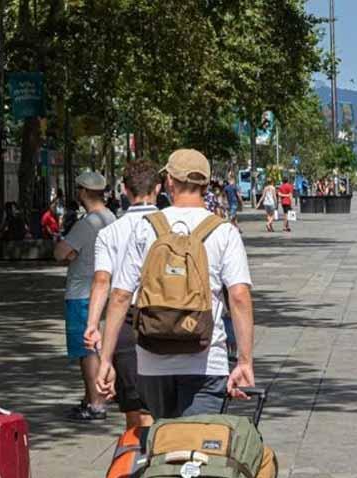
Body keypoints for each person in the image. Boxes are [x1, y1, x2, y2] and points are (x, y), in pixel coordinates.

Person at [95, 149, 255, 420]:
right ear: (205, 184)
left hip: (152, 360)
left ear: (169, 181)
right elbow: (238, 296)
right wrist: (245, 361)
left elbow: (121, 296)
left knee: (163, 443)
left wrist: (106, 360)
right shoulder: (224, 231)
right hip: (206, 359)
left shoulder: (146, 228)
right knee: (196, 451)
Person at [82, 161, 160, 432]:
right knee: (161, 406)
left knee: (133, 409)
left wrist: (93, 325)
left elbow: (102, 281)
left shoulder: (109, 232)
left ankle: (136, 464)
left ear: (125, 190)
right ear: (158, 188)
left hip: (125, 323)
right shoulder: (171, 226)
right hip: (165, 319)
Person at [54, 171, 114, 421]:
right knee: (98, 348)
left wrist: (64, 246)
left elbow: (60, 253)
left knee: (87, 350)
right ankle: (94, 396)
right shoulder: (111, 218)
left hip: (81, 293)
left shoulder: (87, 223)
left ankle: (96, 404)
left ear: (83, 192)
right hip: (105, 291)